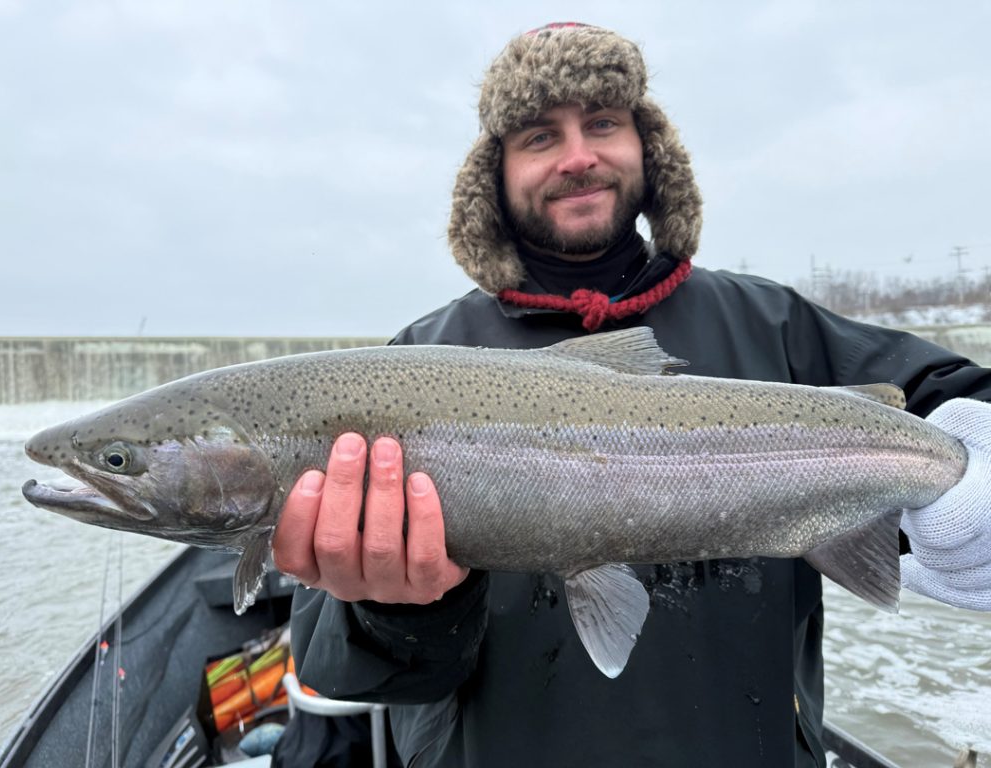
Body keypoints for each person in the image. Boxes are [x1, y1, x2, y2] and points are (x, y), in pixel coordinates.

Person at [272, 23, 991, 767]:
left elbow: (956, 399)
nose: (578, 156)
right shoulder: (413, 365)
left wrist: (971, 487)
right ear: (496, 173)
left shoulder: (776, 328)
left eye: (604, 123)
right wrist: (397, 608)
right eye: (540, 135)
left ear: (650, 148)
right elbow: (344, 668)